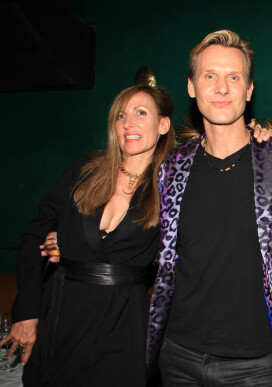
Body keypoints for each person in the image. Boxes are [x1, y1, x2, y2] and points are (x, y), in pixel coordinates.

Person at [146, 30, 272, 387]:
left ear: (249, 89)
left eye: (233, 77)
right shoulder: (171, 166)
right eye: (210, 76)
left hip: (259, 364)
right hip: (177, 357)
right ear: (192, 86)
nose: (221, 88)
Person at [1, 84, 176, 386]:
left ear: (163, 124)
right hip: (62, 314)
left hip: (124, 320)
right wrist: (26, 312)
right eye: (120, 116)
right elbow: (33, 236)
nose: (128, 123)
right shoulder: (82, 170)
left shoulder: (174, 186)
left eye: (141, 113)